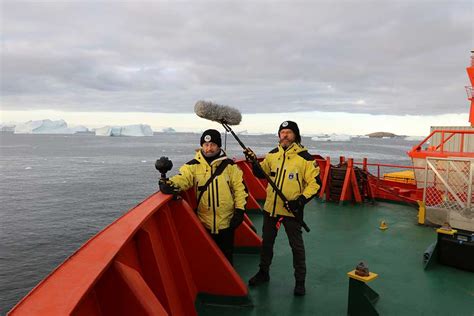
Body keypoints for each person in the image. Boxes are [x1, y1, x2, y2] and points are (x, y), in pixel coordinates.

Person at [244, 121, 320, 296]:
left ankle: (300, 281)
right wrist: (253, 161)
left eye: (289, 132)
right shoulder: (272, 155)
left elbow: (315, 184)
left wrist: (299, 201)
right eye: (282, 132)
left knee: (297, 247)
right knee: (267, 244)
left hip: (292, 210)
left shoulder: (306, 159)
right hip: (271, 208)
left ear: (296, 135)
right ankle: (264, 273)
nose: (285, 135)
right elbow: (261, 174)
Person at [159, 129, 248, 265]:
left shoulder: (230, 166)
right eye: (206, 145)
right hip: (204, 222)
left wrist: (240, 211)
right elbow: (183, 179)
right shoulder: (192, 166)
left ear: (218, 146)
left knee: (227, 257)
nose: (209, 148)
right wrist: (169, 184)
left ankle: (227, 283)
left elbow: (240, 189)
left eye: (212, 144)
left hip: (227, 222)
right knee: (208, 259)